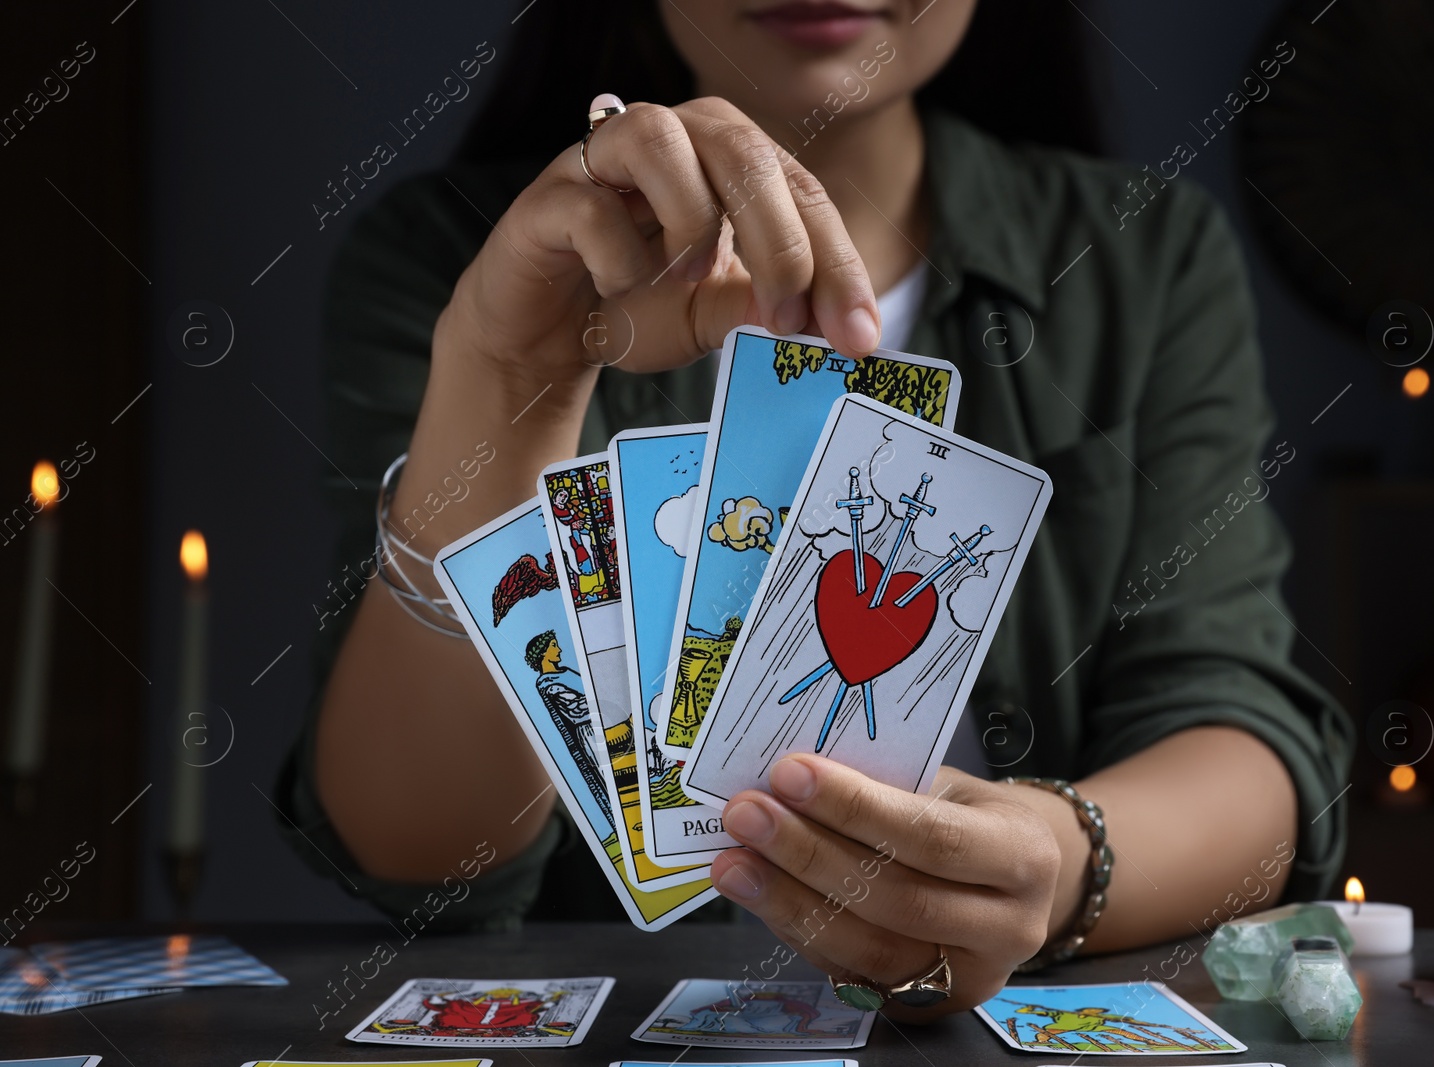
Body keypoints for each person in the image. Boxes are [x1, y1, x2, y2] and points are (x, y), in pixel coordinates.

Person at [278, 0, 1353, 1018]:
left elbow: (1241, 739)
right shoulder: (451, 255)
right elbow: (423, 860)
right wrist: (508, 380)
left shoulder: (1145, 253)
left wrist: (1053, 859)